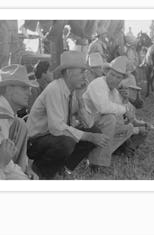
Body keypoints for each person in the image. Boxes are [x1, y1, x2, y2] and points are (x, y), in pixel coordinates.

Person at [26, 51, 109, 179]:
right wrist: (89, 136)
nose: (85, 76)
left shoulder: (72, 91)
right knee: (67, 142)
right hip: (35, 140)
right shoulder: (54, 89)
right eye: (81, 72)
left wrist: (81, 98)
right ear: (69, 73)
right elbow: (57, 128)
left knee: (94, 131)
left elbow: (89, 124)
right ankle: (41, 173)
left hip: (51, 136)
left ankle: (64, 169)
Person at [82, 56, 147, 170]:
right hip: (85, 124)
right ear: (106, 73)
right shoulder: (99, 84)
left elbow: (121, 113)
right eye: (112, 74)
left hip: (98, 124)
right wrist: (125, 110)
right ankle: (96, 162)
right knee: (110, 119)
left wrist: (125, 101)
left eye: (118, 77)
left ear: (121, 79)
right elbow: (104, 108)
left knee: (128, 128)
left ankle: (97, 153)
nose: (114, 79)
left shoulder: (114, 91)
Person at [0, 64, 39, 179]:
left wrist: (26, 169)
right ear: (9, 89)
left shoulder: (7, 113)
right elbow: (0, 161)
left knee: (20, 123)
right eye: (24, 88)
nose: (29, 93)